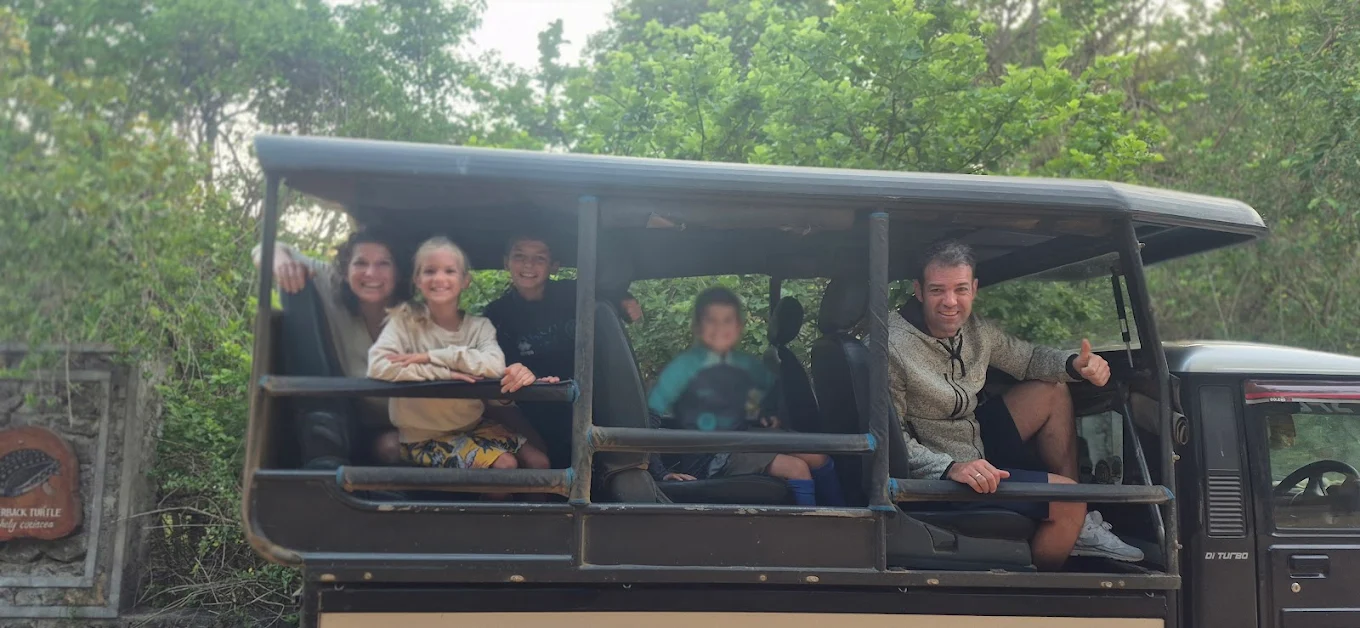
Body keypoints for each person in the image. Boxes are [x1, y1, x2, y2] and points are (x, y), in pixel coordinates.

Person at [887, 239, 1142, 570]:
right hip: (939, 470)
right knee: (1069, 500)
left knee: (1052, 390)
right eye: (938, 290)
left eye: (960, 289)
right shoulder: (893, 347)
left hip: (974, 437)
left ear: (974, 289)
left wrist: (1074, 366)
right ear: (918, 291)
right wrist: (950, 467)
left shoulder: (975, 329)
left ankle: (1080, 524)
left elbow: (1029, 358)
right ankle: (1030, 595)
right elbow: (890, 438)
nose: (950, 302)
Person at [367, 237, 549, 500]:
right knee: (505, 465)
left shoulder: (479, 326)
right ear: (417, 280)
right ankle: (502, 533)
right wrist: (444, 375)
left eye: (449, 271)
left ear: (465, 281)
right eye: (430, 271)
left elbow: (494, 365)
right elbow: (379, 366)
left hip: (473, 426)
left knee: (540, 463)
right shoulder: (404, 323)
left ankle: (543, 532)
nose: (439, 278)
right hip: (423, 437)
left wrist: (435, 356)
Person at [647, 288, 846, 507]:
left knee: (818, 457)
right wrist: (661, 472)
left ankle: (847, 517)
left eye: (727, 321)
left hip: (738, 441)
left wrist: (765, 416)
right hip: (710, 457)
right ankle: (815, 534)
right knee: (796, 469)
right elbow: (649, 421)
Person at [481, 231, 642, 467]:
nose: (528, 265)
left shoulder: (573, 294)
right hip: (530, 403)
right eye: (519, 256)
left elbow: (608, 295)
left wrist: (624, 300)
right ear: (506, 263)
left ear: (554, 266)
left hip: (584, 400)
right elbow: (498, 365)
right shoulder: (496, 314)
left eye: (540, 258)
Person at [253, 230, 407, 469]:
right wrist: (282, 264)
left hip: (410, 424)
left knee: (401, 446)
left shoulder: (416, 317)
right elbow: (265, 248)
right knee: (387, 446)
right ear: (345, 271)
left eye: (383, 264)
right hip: (356, 422)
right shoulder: (331, 287)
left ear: (397, 273)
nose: (371, 273)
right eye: (361, 263)